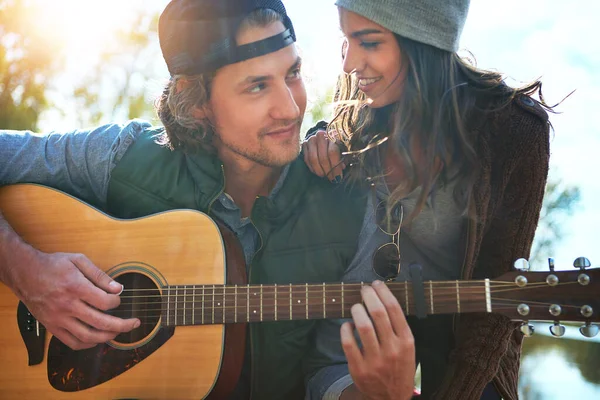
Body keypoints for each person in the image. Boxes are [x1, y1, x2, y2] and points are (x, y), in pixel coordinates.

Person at [0, 1, 416, 399]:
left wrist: (381, 392)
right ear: (196, 102)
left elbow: (329, 373)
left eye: (293, 72)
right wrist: (24, 268)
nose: (290, 108)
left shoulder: (353, 206)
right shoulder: (120, 158)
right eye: (257, 86)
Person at [303, 1, 552, 399]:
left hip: (465, 332)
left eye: (368, 42)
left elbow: (495, 312)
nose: (350, 63)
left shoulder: (515, 131)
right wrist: (319, 140)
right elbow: (337, 132)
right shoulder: (367, 101)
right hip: (370, 318)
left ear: (424, 40)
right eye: (345, 41)